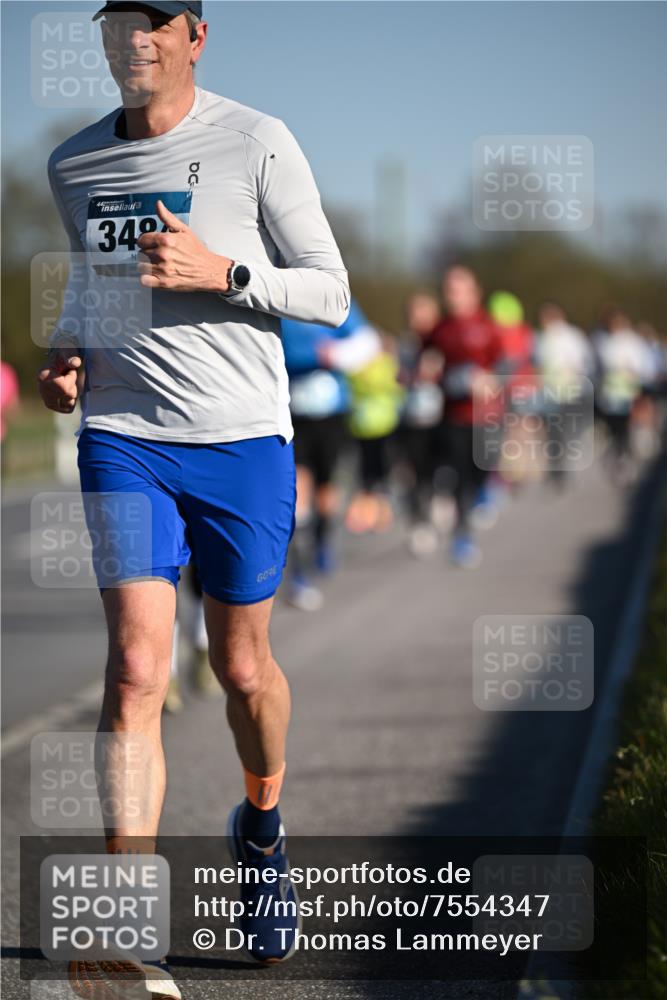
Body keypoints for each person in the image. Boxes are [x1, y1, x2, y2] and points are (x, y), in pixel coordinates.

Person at [37, 2, 349, 994]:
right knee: (135, 665)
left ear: (194, 36)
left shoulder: (256, 141)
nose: (136, 39)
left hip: (241, 442)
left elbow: (330, 291)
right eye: (118, 22)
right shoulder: (75, 163)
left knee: (242, 666)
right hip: (125, 438)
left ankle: (261, 823)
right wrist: (69, 350)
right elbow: (98, 287)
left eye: (155, 22)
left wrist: (227, 272)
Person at [281, 300, 380, 610]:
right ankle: (300, 570)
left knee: (327, 490)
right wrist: (311, 356)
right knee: (299, 494)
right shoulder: (276, 300)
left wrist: (336, 355)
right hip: (293, 414)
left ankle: (324, 539)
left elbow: (367, 343)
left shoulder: (330, 299)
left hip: (333, 415)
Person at [424, 266, 505, 569]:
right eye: (447, 289)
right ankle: (462, 536)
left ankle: (487, 489)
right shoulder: (441, 328)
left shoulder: (487, 325)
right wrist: (428, 370)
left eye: (457, 289)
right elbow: (426, 358)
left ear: (474, 292)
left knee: (480, 471)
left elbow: (506, 363)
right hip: (453, 414)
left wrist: (491, 379)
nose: (451, 295)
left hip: (485, 415)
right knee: (457, 477)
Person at [397, 292, 446, 558]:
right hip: (412, 418)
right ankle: (420, 521)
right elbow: (400, 376)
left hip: (440, 416)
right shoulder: (406, 343)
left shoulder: (442, 341)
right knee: (412, 473)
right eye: (414, 313)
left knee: (436, 469)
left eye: (423, 313)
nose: (418, 319)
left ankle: (440, 501)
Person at [536, 303, 593, 488]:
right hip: (558, 392)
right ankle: (559, 467)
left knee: (559, 431)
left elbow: (581, 363)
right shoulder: (549, 338)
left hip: (563, 392)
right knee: (559, 431)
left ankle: (560, 467)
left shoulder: (562, 337)